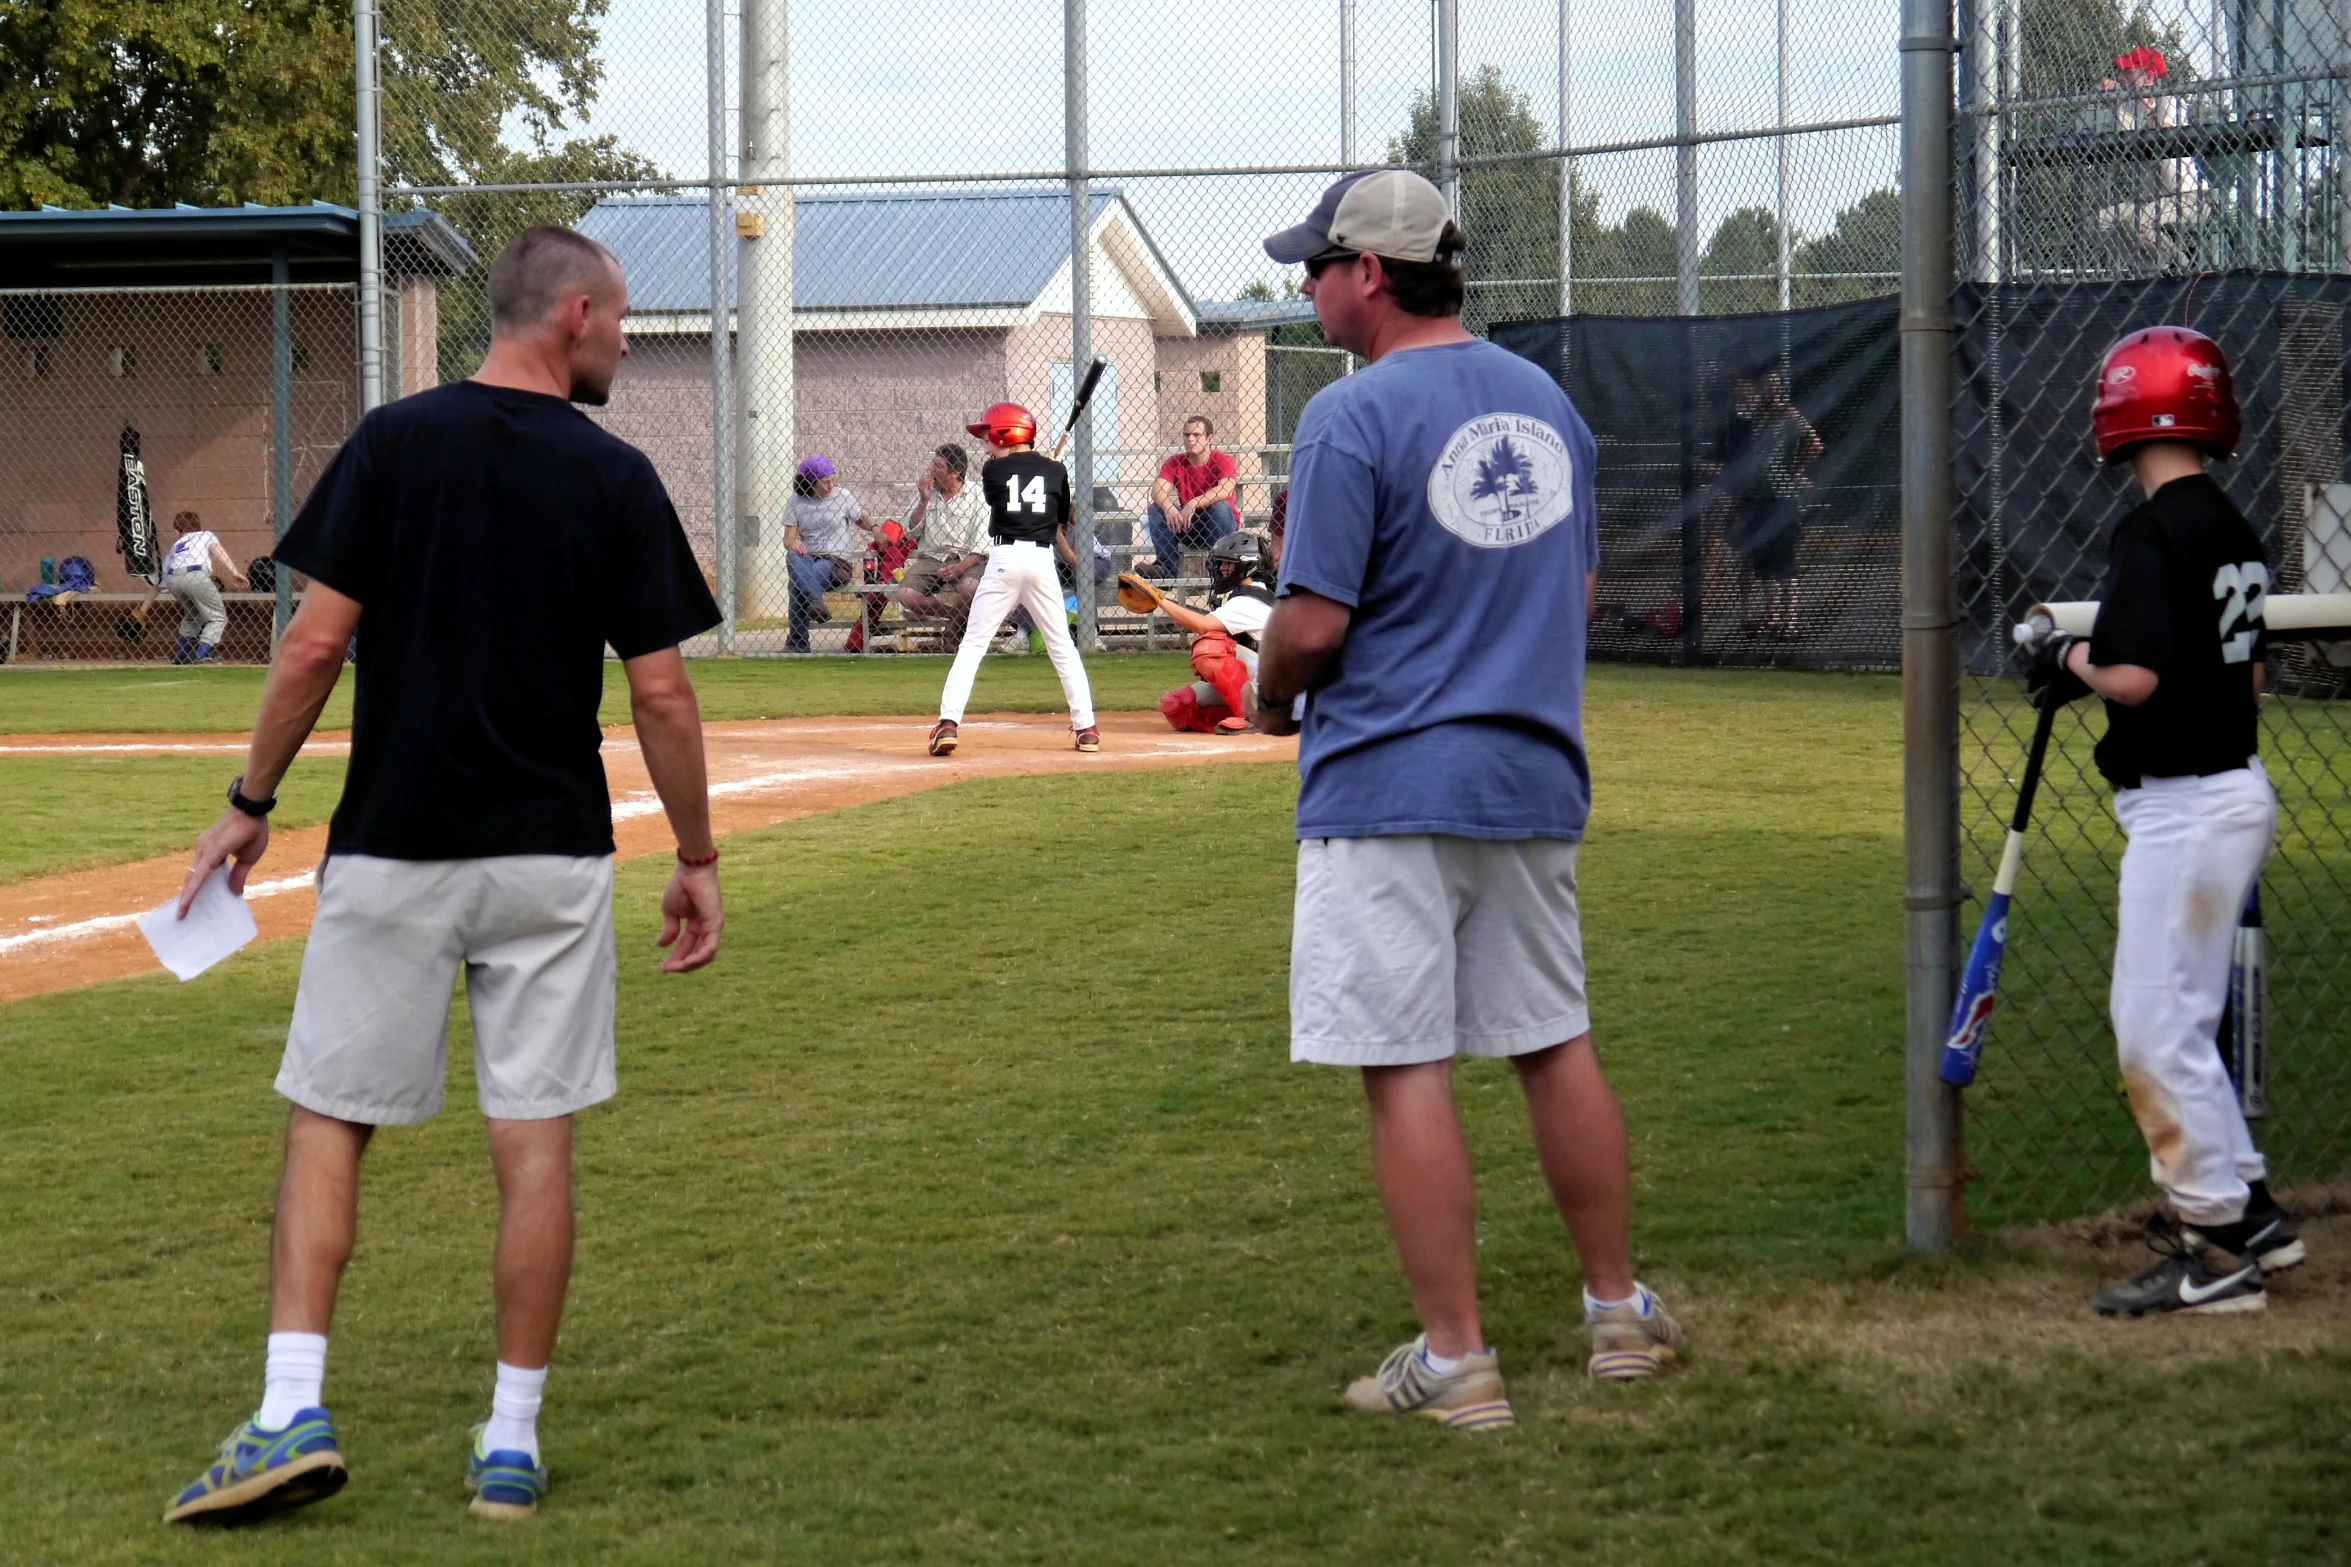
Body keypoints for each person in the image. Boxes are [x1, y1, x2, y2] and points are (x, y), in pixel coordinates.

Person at [161, 224, 724, 1526]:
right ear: (574, 313)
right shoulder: (613, 474)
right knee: (533, 1147)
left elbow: (309, 647)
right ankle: (509, 1443)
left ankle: (291, 1405)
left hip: (396, 840)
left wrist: (249, 806)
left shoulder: (396, 442)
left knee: (329, 1119)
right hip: (549, 853)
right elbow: (662, 693)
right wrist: (694, 856)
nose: (627, 342)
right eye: (625, 319)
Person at [1247, 168, 1683, 1428]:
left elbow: (1314, 625)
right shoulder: (1548, 403)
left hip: (1385, 778)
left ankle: (1456, 1359)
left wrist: (1269, 689)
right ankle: (1616, 1316)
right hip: (1530, 772)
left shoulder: (1350, 416)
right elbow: (1578, 597)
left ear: (1368, 274)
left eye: (1316, 267)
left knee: (1403, 1064)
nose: (1306, 287)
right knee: (1552, 1040)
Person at [2022, 325, 2303, 1317]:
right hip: (2233, 787)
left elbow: (2133, 676)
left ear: (2122, 410)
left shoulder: (2148, 532)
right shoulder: (2231, 524)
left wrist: (2064, 663)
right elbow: (2252, 674)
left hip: (2184, 803)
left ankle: (2213, 1246)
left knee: (2148, 1026)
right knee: (2178, 1020)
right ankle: (2252, 1213)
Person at [926, 402, 1099, 757]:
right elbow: (1062, 514)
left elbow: (1001, 497)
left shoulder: (993, 471)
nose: (986, 445)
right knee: (1062, 647)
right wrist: (1050, 472)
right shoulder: (1056, 469)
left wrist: (1026, 470)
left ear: (1007, 434)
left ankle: (947, 724)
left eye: (990, 436)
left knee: (973, 644)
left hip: (1004, 560)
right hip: (1040, 560)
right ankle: (1087, 729)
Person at [1152, 532, 1275, 735]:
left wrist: (1160, 601)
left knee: (1209, 644)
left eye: (1227, 564)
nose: (1220, 569)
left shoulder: (1250, 601)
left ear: (1246, 566)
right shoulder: (1244, 596)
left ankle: (1249, 718)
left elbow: (1203, 625)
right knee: (1177, 706)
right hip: (1262, 684)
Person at [1731, 366, 1820, 640]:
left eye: (1774, 386)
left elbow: (1814, 443)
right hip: (1758, 499)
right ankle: (1773, 617)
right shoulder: (1756, 417)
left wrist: (1798, 470)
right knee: (1763, 561)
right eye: (1765, 386)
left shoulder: (1789, 414)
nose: (1769, 391)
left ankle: (1790, 620)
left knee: (1784, 561)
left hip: (1783, 500)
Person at [895, 443, 991, 643]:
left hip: (966, 558)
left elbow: (982, 542)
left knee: (970, 588)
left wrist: (960, 567)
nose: (931, 469)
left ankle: (950, 634)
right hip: (932, 557)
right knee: (906, 594)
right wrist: (923, 501)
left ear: (955, 473)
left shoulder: (978, 496)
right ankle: (959, 617)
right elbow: (911, 532)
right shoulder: (926, 493)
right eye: (933, 464)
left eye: (938, 466)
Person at [783, 455, 871, 654]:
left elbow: (860, 519)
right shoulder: (796, 501)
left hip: (837, 562)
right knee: (792, 557)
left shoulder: (843, 496)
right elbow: (788, 539)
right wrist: (794, 542)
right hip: (808, 558)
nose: (830, 485)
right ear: (810, 484)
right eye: (824, 482)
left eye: (833, 479)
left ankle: (797, 644)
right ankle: (816, 602)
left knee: (798, 583)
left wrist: (875, 528)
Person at [137, 509, 250, 663]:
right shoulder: (205, 535)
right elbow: (217, 551)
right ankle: (202, 655)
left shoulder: (175, 547)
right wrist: (234, 572)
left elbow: (158, 584)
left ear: (177, 531)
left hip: (173, 581)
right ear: (198, 527)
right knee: (217, 617)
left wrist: (143, 610)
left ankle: (180, 656)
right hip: (196, 575)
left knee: (193, 616)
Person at [1142, 416, 1241, 578]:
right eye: (1187, 435)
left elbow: (1225, 489)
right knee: (1156, 509)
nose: (1190, 439)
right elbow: (1157, 490)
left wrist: (1193, 503)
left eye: (1196, 435)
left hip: (1219, 525)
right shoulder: (1175, 462)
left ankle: (1217, 568)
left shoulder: (1224, 459)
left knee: (1220, 507)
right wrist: (1168, 507)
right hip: (1188, 525)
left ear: (1210, 438)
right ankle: (1166, 570)